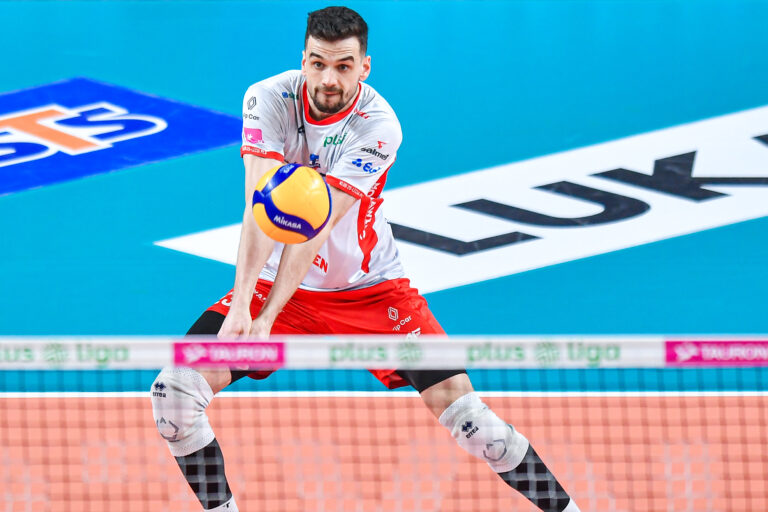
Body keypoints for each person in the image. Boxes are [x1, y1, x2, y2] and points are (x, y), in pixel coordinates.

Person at [150, 6, 580, 512]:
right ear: (303, 59)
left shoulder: (378, 126)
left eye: (344, 66)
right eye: (318, 63)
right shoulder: (267, 98)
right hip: (277, 289)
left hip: (372, 293)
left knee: (474, 424)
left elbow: (312, 229)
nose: (328, 79)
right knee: (174, 394)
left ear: (365, 67)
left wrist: (264, 321)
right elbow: (258, 206)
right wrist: (244, 305)